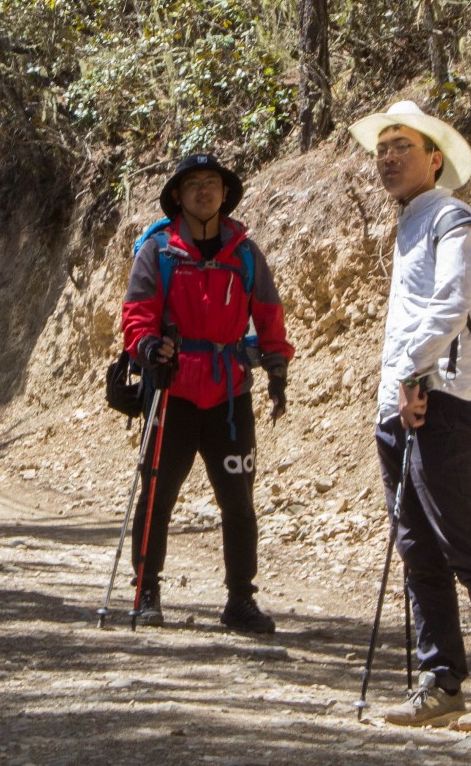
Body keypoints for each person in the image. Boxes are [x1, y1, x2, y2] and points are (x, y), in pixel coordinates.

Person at [350, 100, 471, 731]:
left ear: (436, 159)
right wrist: (393, 392)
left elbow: (451, 305)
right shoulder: (411, 224)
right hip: (401, 405)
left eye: (403, 147)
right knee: (418, 548)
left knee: (465, 546)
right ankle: (440, 680)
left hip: (443, 401)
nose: (389, 158)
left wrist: (410, 376)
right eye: (382, 149)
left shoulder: (455, 222)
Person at [120, 151, 294, 635]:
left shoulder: (244, 253)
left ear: (224, 192)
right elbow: (136, 314)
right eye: (193, 183)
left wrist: (277, 367)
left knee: (238, 501)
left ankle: (241, 599)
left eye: (212, 183)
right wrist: (148, 345)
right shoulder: (157, 251)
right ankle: (146, 590)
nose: (204, 191)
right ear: (177, 195)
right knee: (156, 494)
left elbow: (268, 314)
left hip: (229, 393)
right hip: (171, 390)